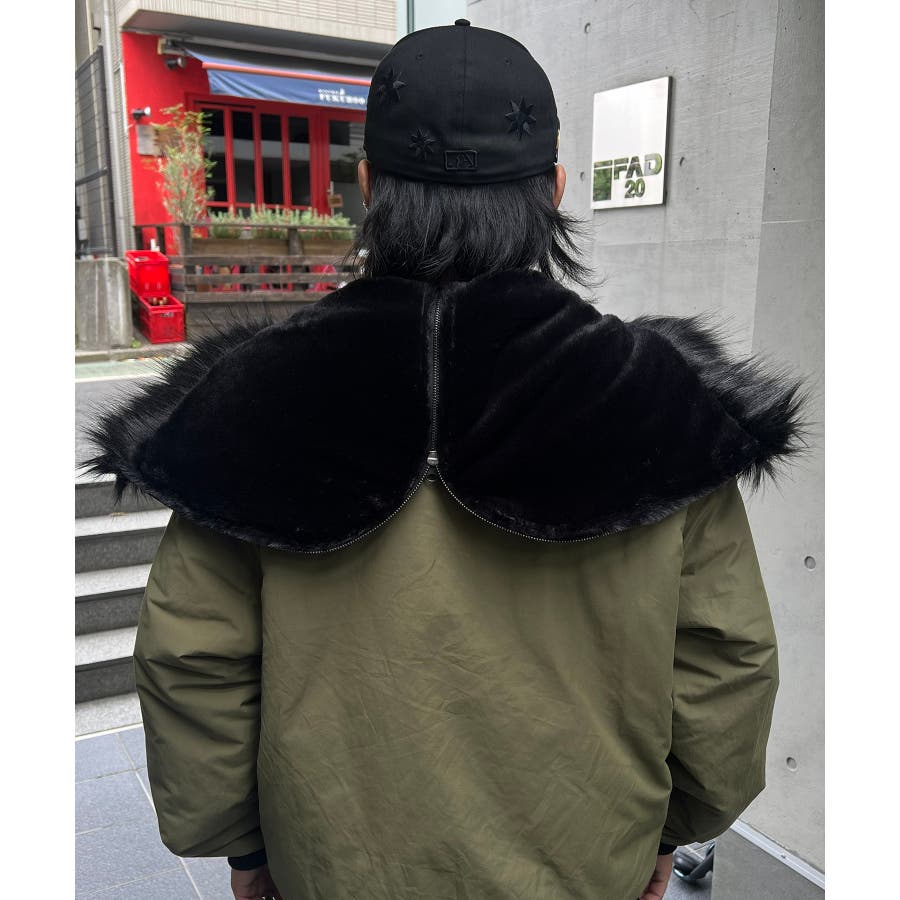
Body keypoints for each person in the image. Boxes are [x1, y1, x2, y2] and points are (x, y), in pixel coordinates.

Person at [81, 20, 813, 900]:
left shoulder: (253, 400)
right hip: (587, 862)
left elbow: (193, 658)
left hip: (338, 869)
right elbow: (726, 659)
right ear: (553, 190)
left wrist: (243, 846)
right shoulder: (660, 402)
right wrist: (672, 826)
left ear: (366, 188)